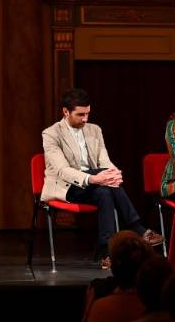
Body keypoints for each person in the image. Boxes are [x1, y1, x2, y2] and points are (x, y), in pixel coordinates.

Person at [41, 88, 163, 267]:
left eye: (87, 114)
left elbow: (104, 160)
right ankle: (137, 228)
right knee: (103, 183)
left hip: (95, 184)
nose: (85, 119)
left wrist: (114, 173)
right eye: (80, 114)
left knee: (105, 193)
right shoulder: (51, 134)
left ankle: (106, 252)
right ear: (66, 112)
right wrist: (94, 179)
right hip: (67, 186)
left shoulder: (94, 130)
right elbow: (62, 170)